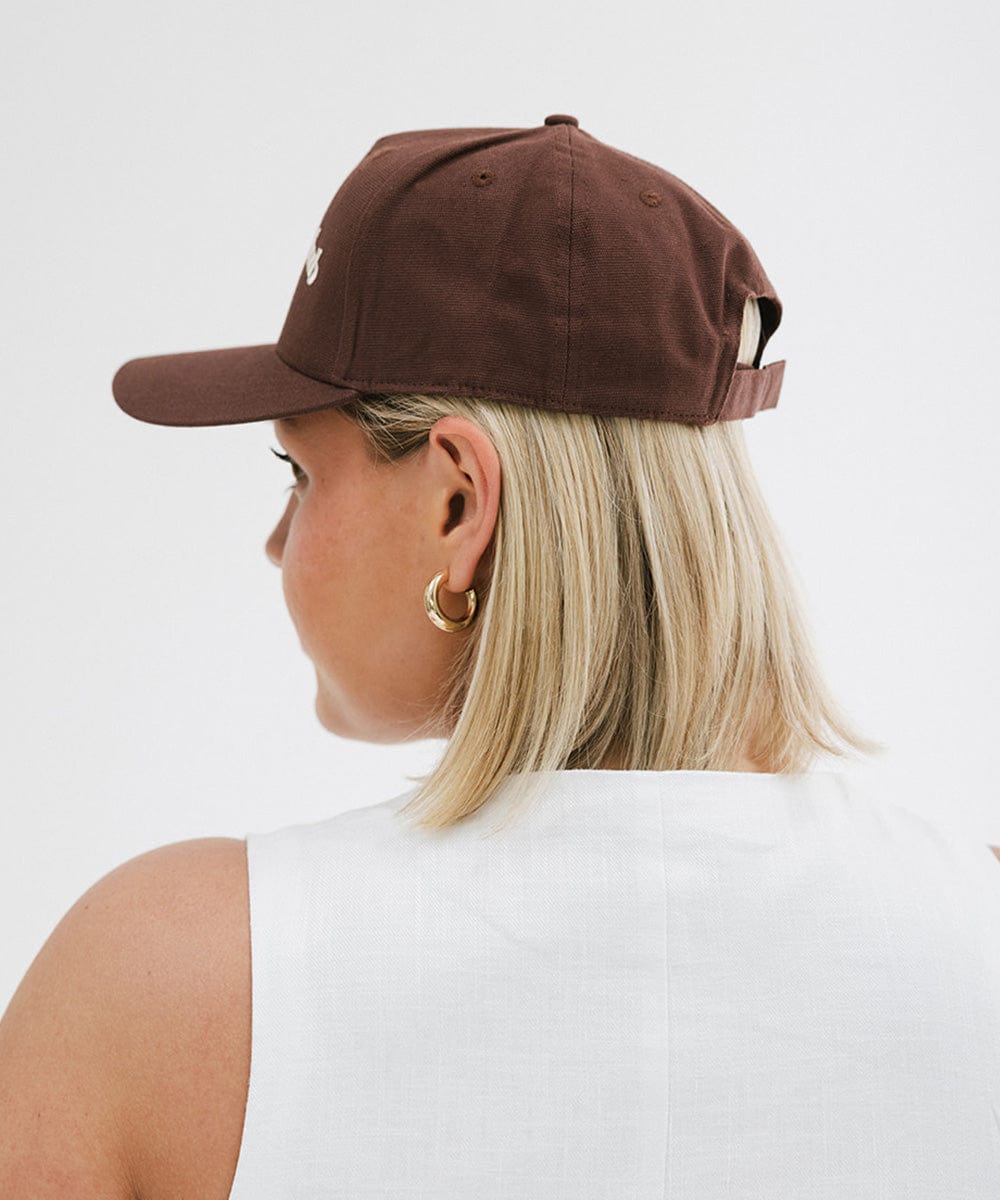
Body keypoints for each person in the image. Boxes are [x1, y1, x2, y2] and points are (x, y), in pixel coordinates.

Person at [2, 115, 999, 1198]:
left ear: (459, 503)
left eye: (296, 474)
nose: (277, 541)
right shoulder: (975, 939)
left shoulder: (160, 980)